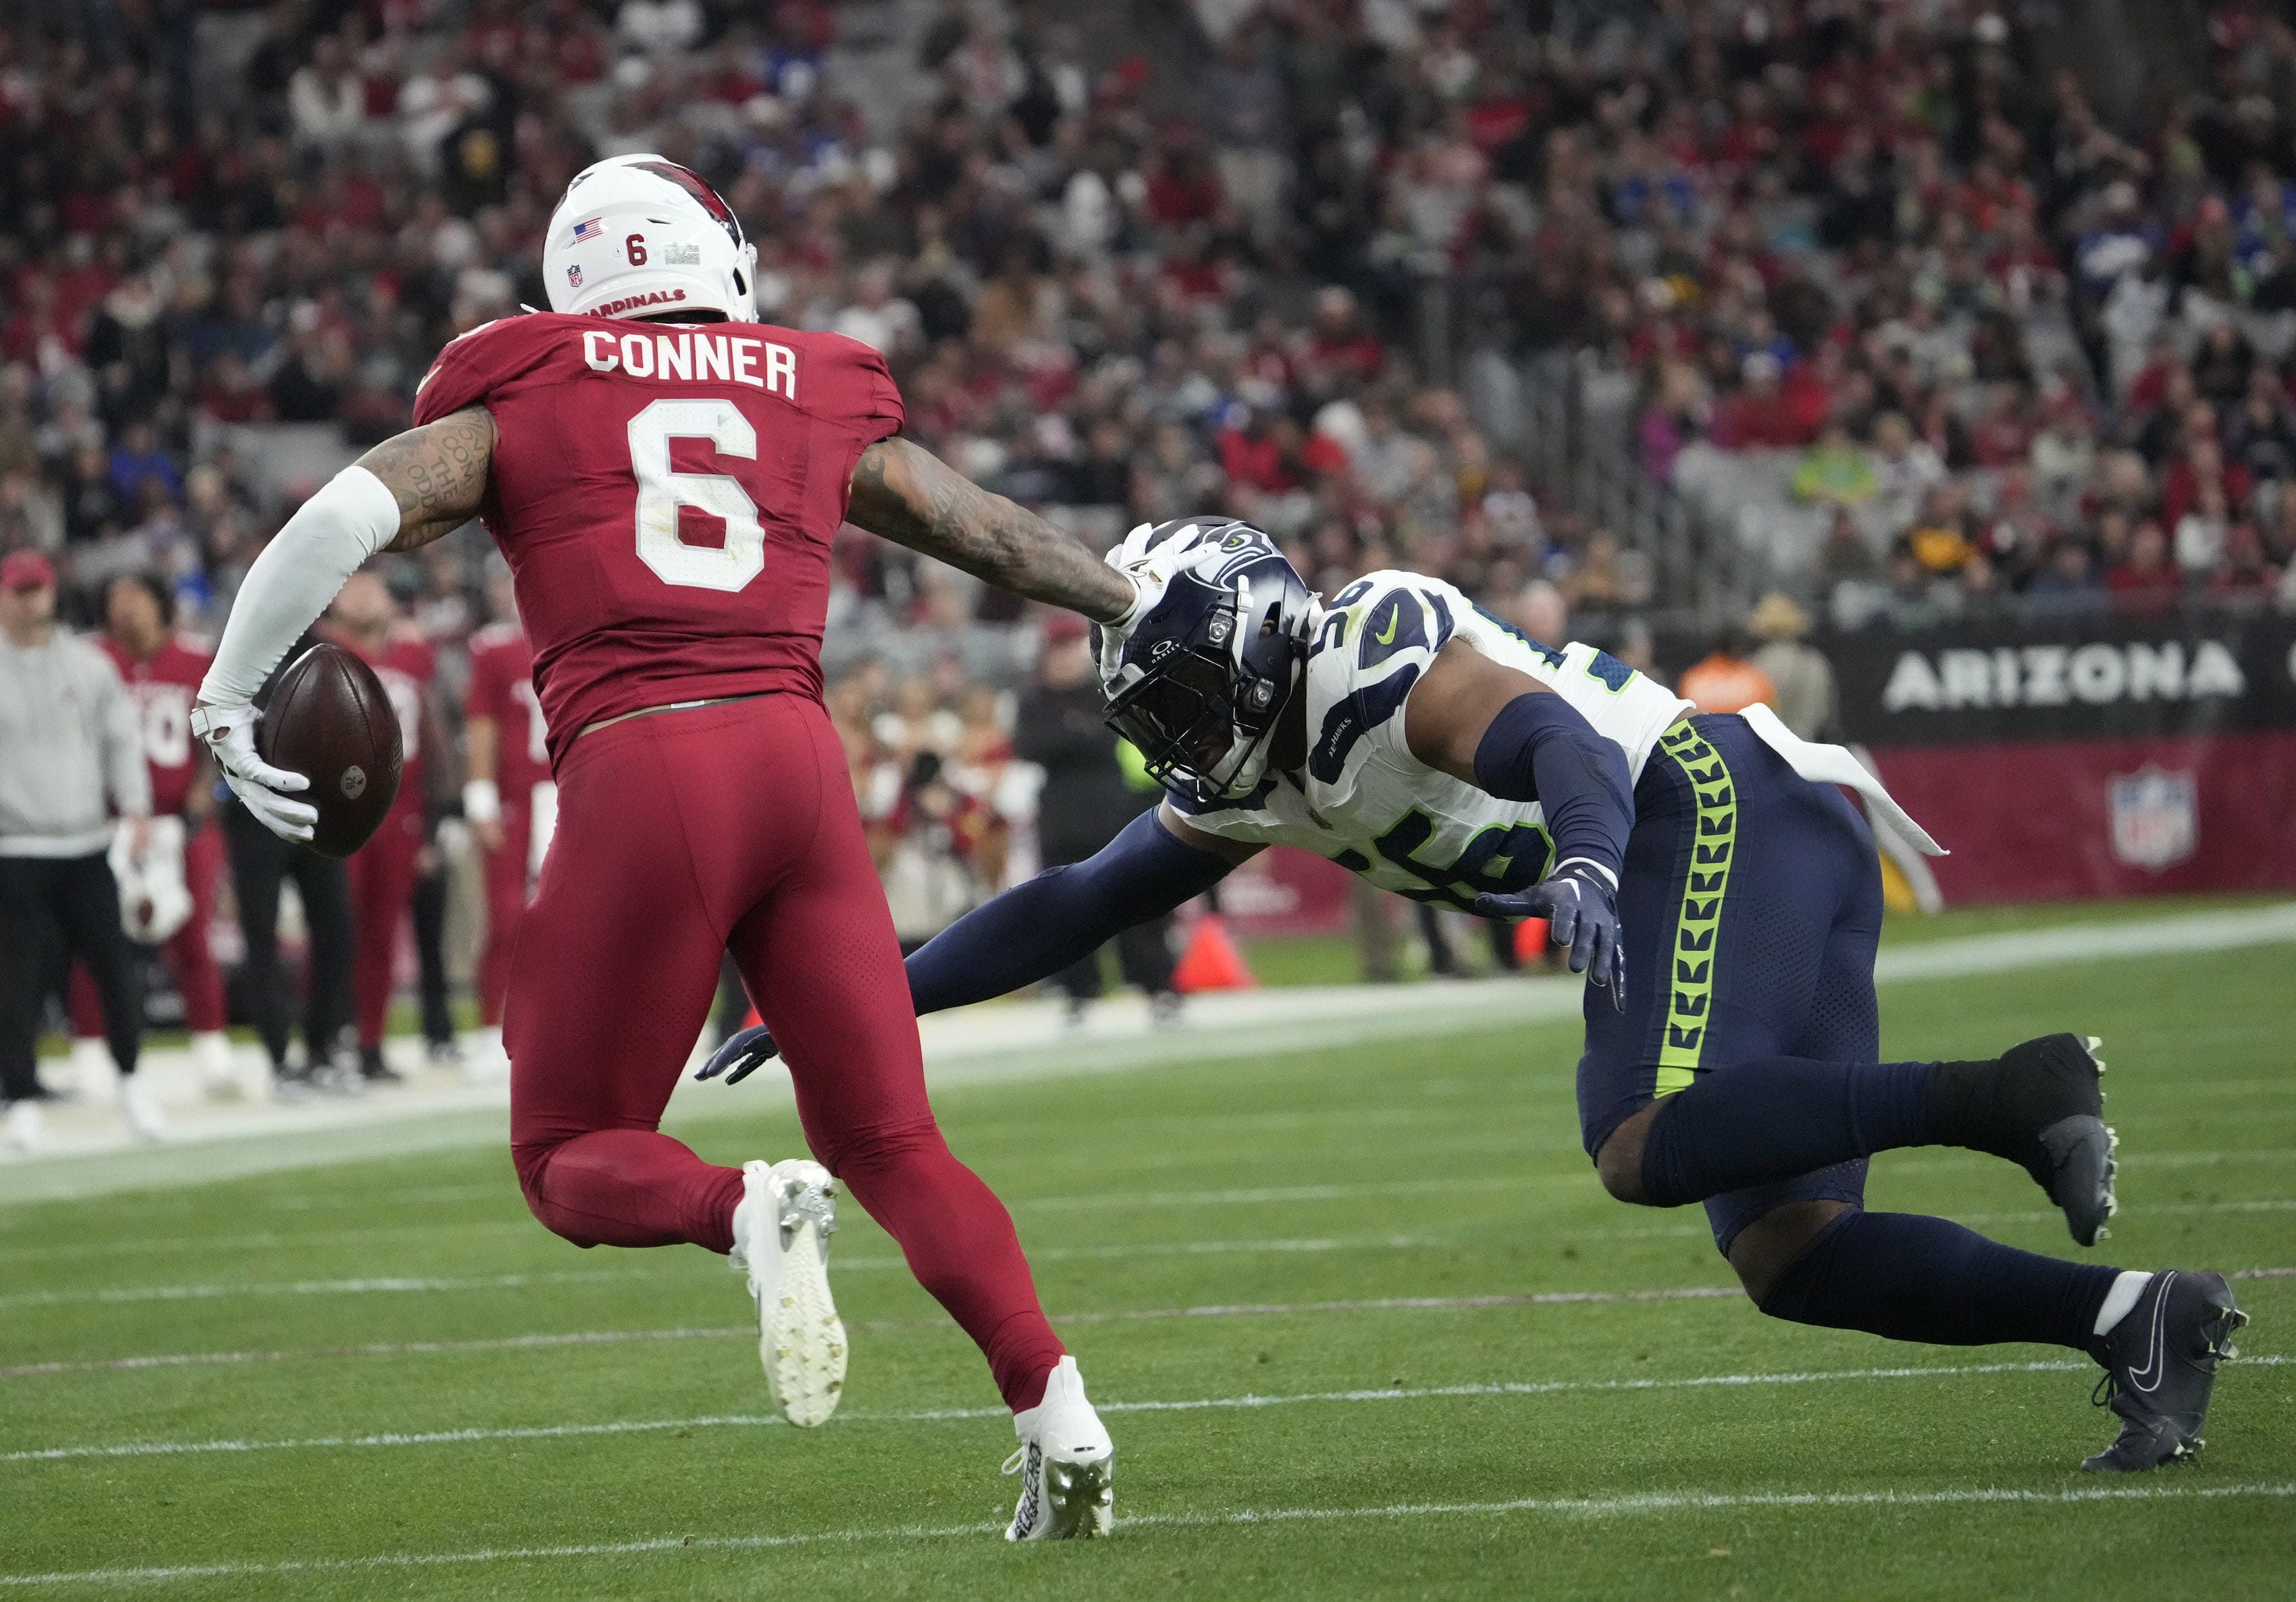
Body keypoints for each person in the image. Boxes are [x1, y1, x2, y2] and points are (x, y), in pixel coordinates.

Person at [708, 521, 2248, 1474]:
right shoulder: (1260, 759)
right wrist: (866, 997)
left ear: (1253, 639)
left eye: (1184, 696)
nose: (1179, 738)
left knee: (1637, 1137)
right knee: (1793, 1252)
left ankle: (2011, 1092)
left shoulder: (1369, 652)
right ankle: (2135, 1317)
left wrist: (1582, 859)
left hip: (1697, 804)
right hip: (1760, 827)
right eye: (1156, 711)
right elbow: (1075, 899)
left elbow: (1554, 744)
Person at [186, 155, 1203, 1540]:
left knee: (566, 1151)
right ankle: (1058, 1409)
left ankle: (741, 1209)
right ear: (709, 251)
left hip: (644, 762)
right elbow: (984, 530)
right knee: (893, 1136)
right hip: (796, 763)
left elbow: (346, 514)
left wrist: (228, 690)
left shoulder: (531, 379)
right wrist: (1134, 597)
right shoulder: (809, 380)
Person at [0, 548, 159, 1146]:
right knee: (16, 984)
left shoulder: (90, 665)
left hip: (86, 843)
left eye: (37, 589)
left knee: (114, 972)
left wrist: (136, 806)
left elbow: (121, 741)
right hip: (16, 846)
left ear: (51, 592)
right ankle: (20, 1097)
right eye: (19, 591)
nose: (29, 601)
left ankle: (132, 1084)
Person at [65, 573, 242, 1100]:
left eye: (136, 597)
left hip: (178, 821)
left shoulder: (197, 659)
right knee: (95, 942)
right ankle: (90, 1053)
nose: (126, 609)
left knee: (193, 939)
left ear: (160, 603)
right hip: (106, 822)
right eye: (116, 598)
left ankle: (212, 1050)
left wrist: (203, 795)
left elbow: (222, 736)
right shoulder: (91, 660)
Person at [1012, 613, 1179, 1025]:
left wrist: (1072, 736)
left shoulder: (1102, 692)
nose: (1063, 659)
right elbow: (1031, 747)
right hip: (1062, 820)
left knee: (1135, 901)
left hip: (1113, 813)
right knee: (1067, 908)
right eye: (1056, 651)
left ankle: (1157, 985)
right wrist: (1080, 735)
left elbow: (1112, 738)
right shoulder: (1034, 701)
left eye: (1068, 649)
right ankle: (1078, 991)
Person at [222, 629, 359, 1092]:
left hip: (314, 805)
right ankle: (279, 1058)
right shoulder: (236, 645)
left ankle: (323, 1047)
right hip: (253, 809)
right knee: (261, 933)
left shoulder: (321, 647)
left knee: (336, 927)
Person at [325, 569, 441, 1084]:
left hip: (401, 806)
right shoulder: (320, 651)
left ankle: (370, 1043)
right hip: (339, 806)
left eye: (374, 587)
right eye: (353, 586)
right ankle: (330, 1038)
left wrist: (437, 820)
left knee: (382, 932)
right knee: (335, 928)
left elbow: (434, 738)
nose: (365, 595)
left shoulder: (414, 654)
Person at [463, 566, 551, 1068]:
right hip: (519, 799)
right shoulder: (495, 649)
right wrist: (480, 797)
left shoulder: (578, 634)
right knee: (506, 918)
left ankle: (566, 1027)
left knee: (585, 920)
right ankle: (490, 1027)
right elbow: (482, 724)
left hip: (573, 793)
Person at [1745, 592, 1837, 742]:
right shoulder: (1815, 663)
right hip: (1807, 744)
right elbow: (1825, 714)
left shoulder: (1754, 665)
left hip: (1767, 745)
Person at [1674, 625, 1777, 715]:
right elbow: (1768, 712)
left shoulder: (1693, 679)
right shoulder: (1755, 680)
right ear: (1737, 648)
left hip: (1704, 730)